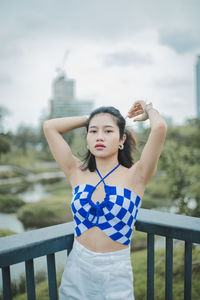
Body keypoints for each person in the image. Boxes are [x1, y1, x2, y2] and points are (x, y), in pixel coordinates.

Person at [43, 100, 167, 300]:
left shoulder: (137, 176)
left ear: (121, 139)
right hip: (77, 268)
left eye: (108, 131)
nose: (99, 137)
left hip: (115, 273)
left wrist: (148, 108)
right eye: (93, 132)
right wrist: (92, 118)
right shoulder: (76, 171)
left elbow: (160, 128)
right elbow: (50, 127)